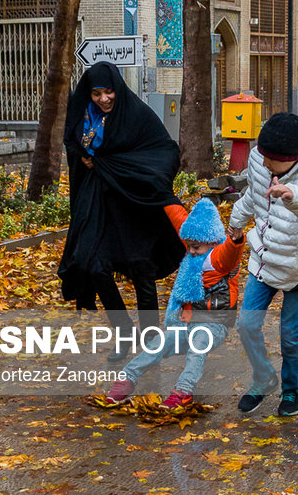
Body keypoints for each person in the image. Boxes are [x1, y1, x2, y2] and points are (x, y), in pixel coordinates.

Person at [57, 62, 185, 362]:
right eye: (97, 93)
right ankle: (124, 330)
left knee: (141, 269)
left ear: (118, 89)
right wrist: (85, 160)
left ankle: (151, 340)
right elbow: (72, 143)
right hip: (98, 203)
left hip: (135, 204)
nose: (104, 99)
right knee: (92, 265)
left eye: (109, 91)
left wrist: (144, 177)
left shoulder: (137, 114)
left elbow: (166, 151)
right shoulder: (84, 114)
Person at [230, 113, 298, 417]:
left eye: (270, 160)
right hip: (264, 259)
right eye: (261, 156)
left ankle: (292, 391)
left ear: (291, 159)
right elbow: (253, 196)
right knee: (247, 325)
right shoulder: (259, 159)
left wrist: (294, 197)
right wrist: (237, 221)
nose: (263, 164)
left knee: (290, 337)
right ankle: (263, 379)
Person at [104, 199, 243, 409]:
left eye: (195, 247)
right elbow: (178, 217)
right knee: (158, 344)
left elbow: (231, 253)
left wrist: (236, 241)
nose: (191, 251)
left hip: (213, 324)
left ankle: (183, 392)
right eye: (188, 246)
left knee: (198, 346)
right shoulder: (193, 250)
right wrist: (161, 193)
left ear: (212, 241)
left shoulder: (219, 258)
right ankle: (126, 380)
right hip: (185, 321)